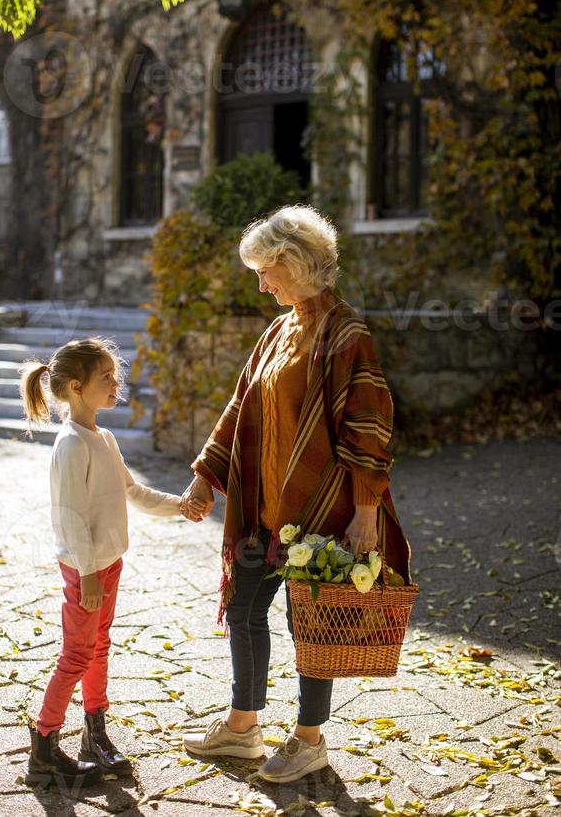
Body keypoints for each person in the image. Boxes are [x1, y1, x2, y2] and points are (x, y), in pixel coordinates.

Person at [181, 204, 413, 784]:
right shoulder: (279, 330)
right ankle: (242, 728)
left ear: (293, 261)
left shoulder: (346, 332)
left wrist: (365, 512)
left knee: (312, 625)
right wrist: (206, 476)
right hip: (264, 507)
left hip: (325, 507)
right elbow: (242, 408)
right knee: (243, 610)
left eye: (265, 270)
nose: (261, 283)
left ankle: (309, 740)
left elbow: (368, 424)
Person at [19, 337, 203, 790]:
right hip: (86, 571)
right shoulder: (71, 445)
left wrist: (179, 505)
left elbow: (133, 492)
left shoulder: (104, 437)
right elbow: (70, 518)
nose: (115, 383)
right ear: (77, 387)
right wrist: (86, 575)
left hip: (107, 564)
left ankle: (94, 733)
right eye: (106, 377)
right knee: (77, 653)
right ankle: (43, 746)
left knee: (99, 647)